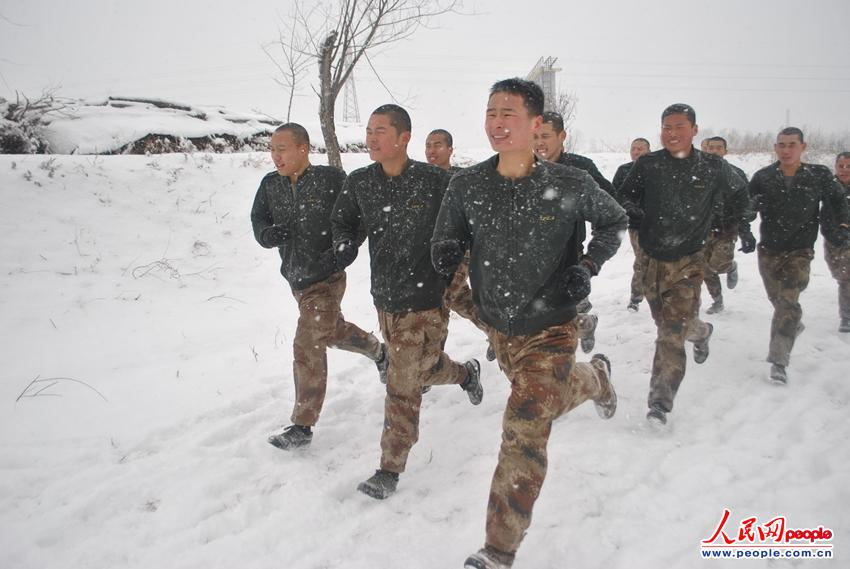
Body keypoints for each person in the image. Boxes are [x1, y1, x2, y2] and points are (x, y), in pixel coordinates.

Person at [433, 78, 626, 569]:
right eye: (491, 112)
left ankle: (499, 549)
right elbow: (446, 236)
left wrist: (586, 266)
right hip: (501, 326)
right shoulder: (468, 185)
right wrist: (447, 252)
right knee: (543, 398)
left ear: (536, 124)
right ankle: (596, 378)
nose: (497, 123)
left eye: (509, 113)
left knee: (525, 423)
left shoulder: (568, 184)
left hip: (553, 326)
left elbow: (613, 220)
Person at [331, 104, 484, 500]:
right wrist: (345, 242)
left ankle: (389, 468)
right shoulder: (361, 181)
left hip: (426, 299)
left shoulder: (436, 182)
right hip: (385, 296)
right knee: (422, 369)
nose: (371, 138)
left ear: (403, 138)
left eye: (380, 130)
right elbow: (344, 220)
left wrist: (453, 252)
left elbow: (467, 224)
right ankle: (466, 374)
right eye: (368, 131)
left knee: (402, 382)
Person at [250, 123, 386, 450]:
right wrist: (267, 236)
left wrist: (341, 253)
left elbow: (358, 220)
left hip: (327, 276)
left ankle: (302, 424)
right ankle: (378, 351)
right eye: (272, 149)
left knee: (308, 342)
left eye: (282, 149)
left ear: (303, 149)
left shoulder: (331, 181)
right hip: (296, 277)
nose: (276, 156)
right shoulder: (270, 185)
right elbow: (259, 220)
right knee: (328, 330)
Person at [619, 104, 755, 426]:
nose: (672, 133)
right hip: (652, 260)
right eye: (666, 127)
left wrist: (735, 225)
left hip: (689, 262)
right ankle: (702, 331)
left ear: (694, 130)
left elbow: (740, 196)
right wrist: (633, 213)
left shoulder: (712, 166)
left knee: (670, 332)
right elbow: (622, 197)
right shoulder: (648, 165)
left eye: (680, 126)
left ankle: (659, 403)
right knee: (666, 323)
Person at [749, 130, 850, 383]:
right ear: (775, 147)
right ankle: (792, 324)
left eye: (792, 145)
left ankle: (778, 361)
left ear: (803, 146)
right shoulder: (764, 177)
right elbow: (747, 207)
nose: (786, 150)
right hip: (769, 249)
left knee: (787, 302)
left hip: (800, 250)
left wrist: (841, 227)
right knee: (779, 301)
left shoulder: (818, 175)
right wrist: (745, 222)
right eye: (781, 145)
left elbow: (838, 202)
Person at [533, 110, 612, 352]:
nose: (539, 143)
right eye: (534, 136)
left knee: (562, 317)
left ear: (562, 136)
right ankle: (585, 324)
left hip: (569, 255)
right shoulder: (524, 167)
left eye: (545, 136)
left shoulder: (580, 167)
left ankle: (583, 326)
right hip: (531, 256)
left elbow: (609, 203)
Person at [702, 136, 750, 314]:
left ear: (725, 151)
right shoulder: (697, 172)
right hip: (702, 229)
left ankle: (730, 266)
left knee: (716, 265)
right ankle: (717, 300)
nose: (714, 151)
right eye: (711, 147)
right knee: (704, 268)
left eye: (718, 148)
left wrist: (745, 230)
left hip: (726, 229)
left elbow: (745, 204)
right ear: (705, 149)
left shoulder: (735, 173)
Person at [612, 137, 652, 312]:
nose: (636, 152)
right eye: (634, 148)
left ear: (648, 151)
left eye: (640, 149)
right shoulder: (624, 170)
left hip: (659, 224)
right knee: (643, 260)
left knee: (661, 263)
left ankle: (661, 294)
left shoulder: (655, 169)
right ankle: (636, 298)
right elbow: (614, 195)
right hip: (636, 225)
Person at [823, 152, 850, 333]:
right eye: (841, 166)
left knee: (848, 279)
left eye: (848, 166)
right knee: (841, 276)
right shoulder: (828, 186)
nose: (844, 170)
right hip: (833, 239)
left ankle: (846, 317)